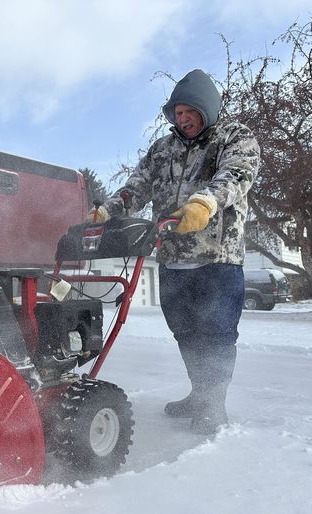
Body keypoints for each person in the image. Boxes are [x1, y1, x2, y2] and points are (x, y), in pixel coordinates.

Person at [88, 69, 260, 434]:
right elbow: (137, 185)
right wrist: (109, 209)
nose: (182, 120)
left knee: (215, 333)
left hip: (216, 258)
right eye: (177, 114)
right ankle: (200, 393)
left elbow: (236, 175)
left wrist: (204, 203)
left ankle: (214, 403)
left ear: (206, 108)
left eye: (189, 113)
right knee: (185, 331)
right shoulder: (163, 148)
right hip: (170, 257)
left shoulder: (234, 137)